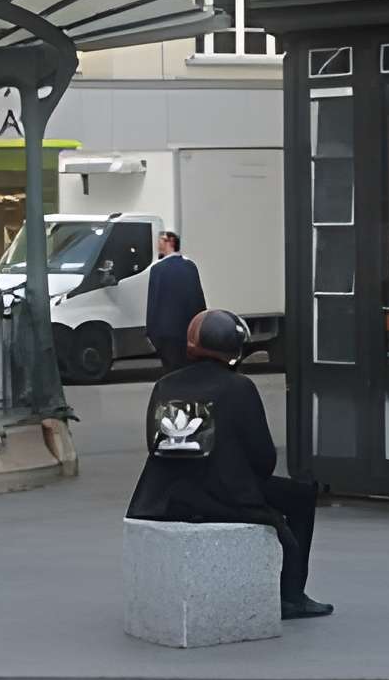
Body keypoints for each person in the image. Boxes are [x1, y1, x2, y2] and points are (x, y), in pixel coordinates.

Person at [125, 306, 330, 619]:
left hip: (165, 497)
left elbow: (155, 445)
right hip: (224, 496)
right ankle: (291, 595)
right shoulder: (239, 387)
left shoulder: (165, 385)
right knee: (301, 498)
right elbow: (264, 459)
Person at [144, 229, 205, 371]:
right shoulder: (190, 267)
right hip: (187, 330)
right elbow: (198, 298)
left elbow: (153, 303)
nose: (158, 244)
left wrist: (150, 330)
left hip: (166, 333)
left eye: (161, 240)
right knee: (188, 370)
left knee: (171, 370)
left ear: (170, 242)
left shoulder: (158, 269)